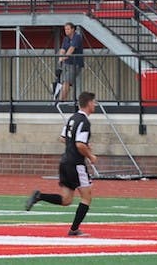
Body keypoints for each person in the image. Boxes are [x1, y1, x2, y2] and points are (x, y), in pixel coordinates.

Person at [24, 91, 98, 237]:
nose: (94, 105)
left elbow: (63, 138)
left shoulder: (72, 119)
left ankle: (40, 196)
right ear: (89, 103)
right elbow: (80, 144)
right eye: (94, 102)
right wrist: (90, 155)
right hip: (76, 164)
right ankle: (74, 229)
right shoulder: (84, 122)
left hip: (64, 162)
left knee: (66, 200)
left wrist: (78, 145)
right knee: (87, 196)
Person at [57, 23, 85, 101]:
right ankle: (62, 99)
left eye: (68, 29)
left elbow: (71, 49)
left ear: (73, 29)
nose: (66, 31)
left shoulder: (77, 37)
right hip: (66, 64)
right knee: (63, 82)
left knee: (67, 82)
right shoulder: (66, 38)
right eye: (65, 29)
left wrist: (64, 57)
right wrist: (60, 57)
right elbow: (62, 49)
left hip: (75, 64)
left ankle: (60, 100)